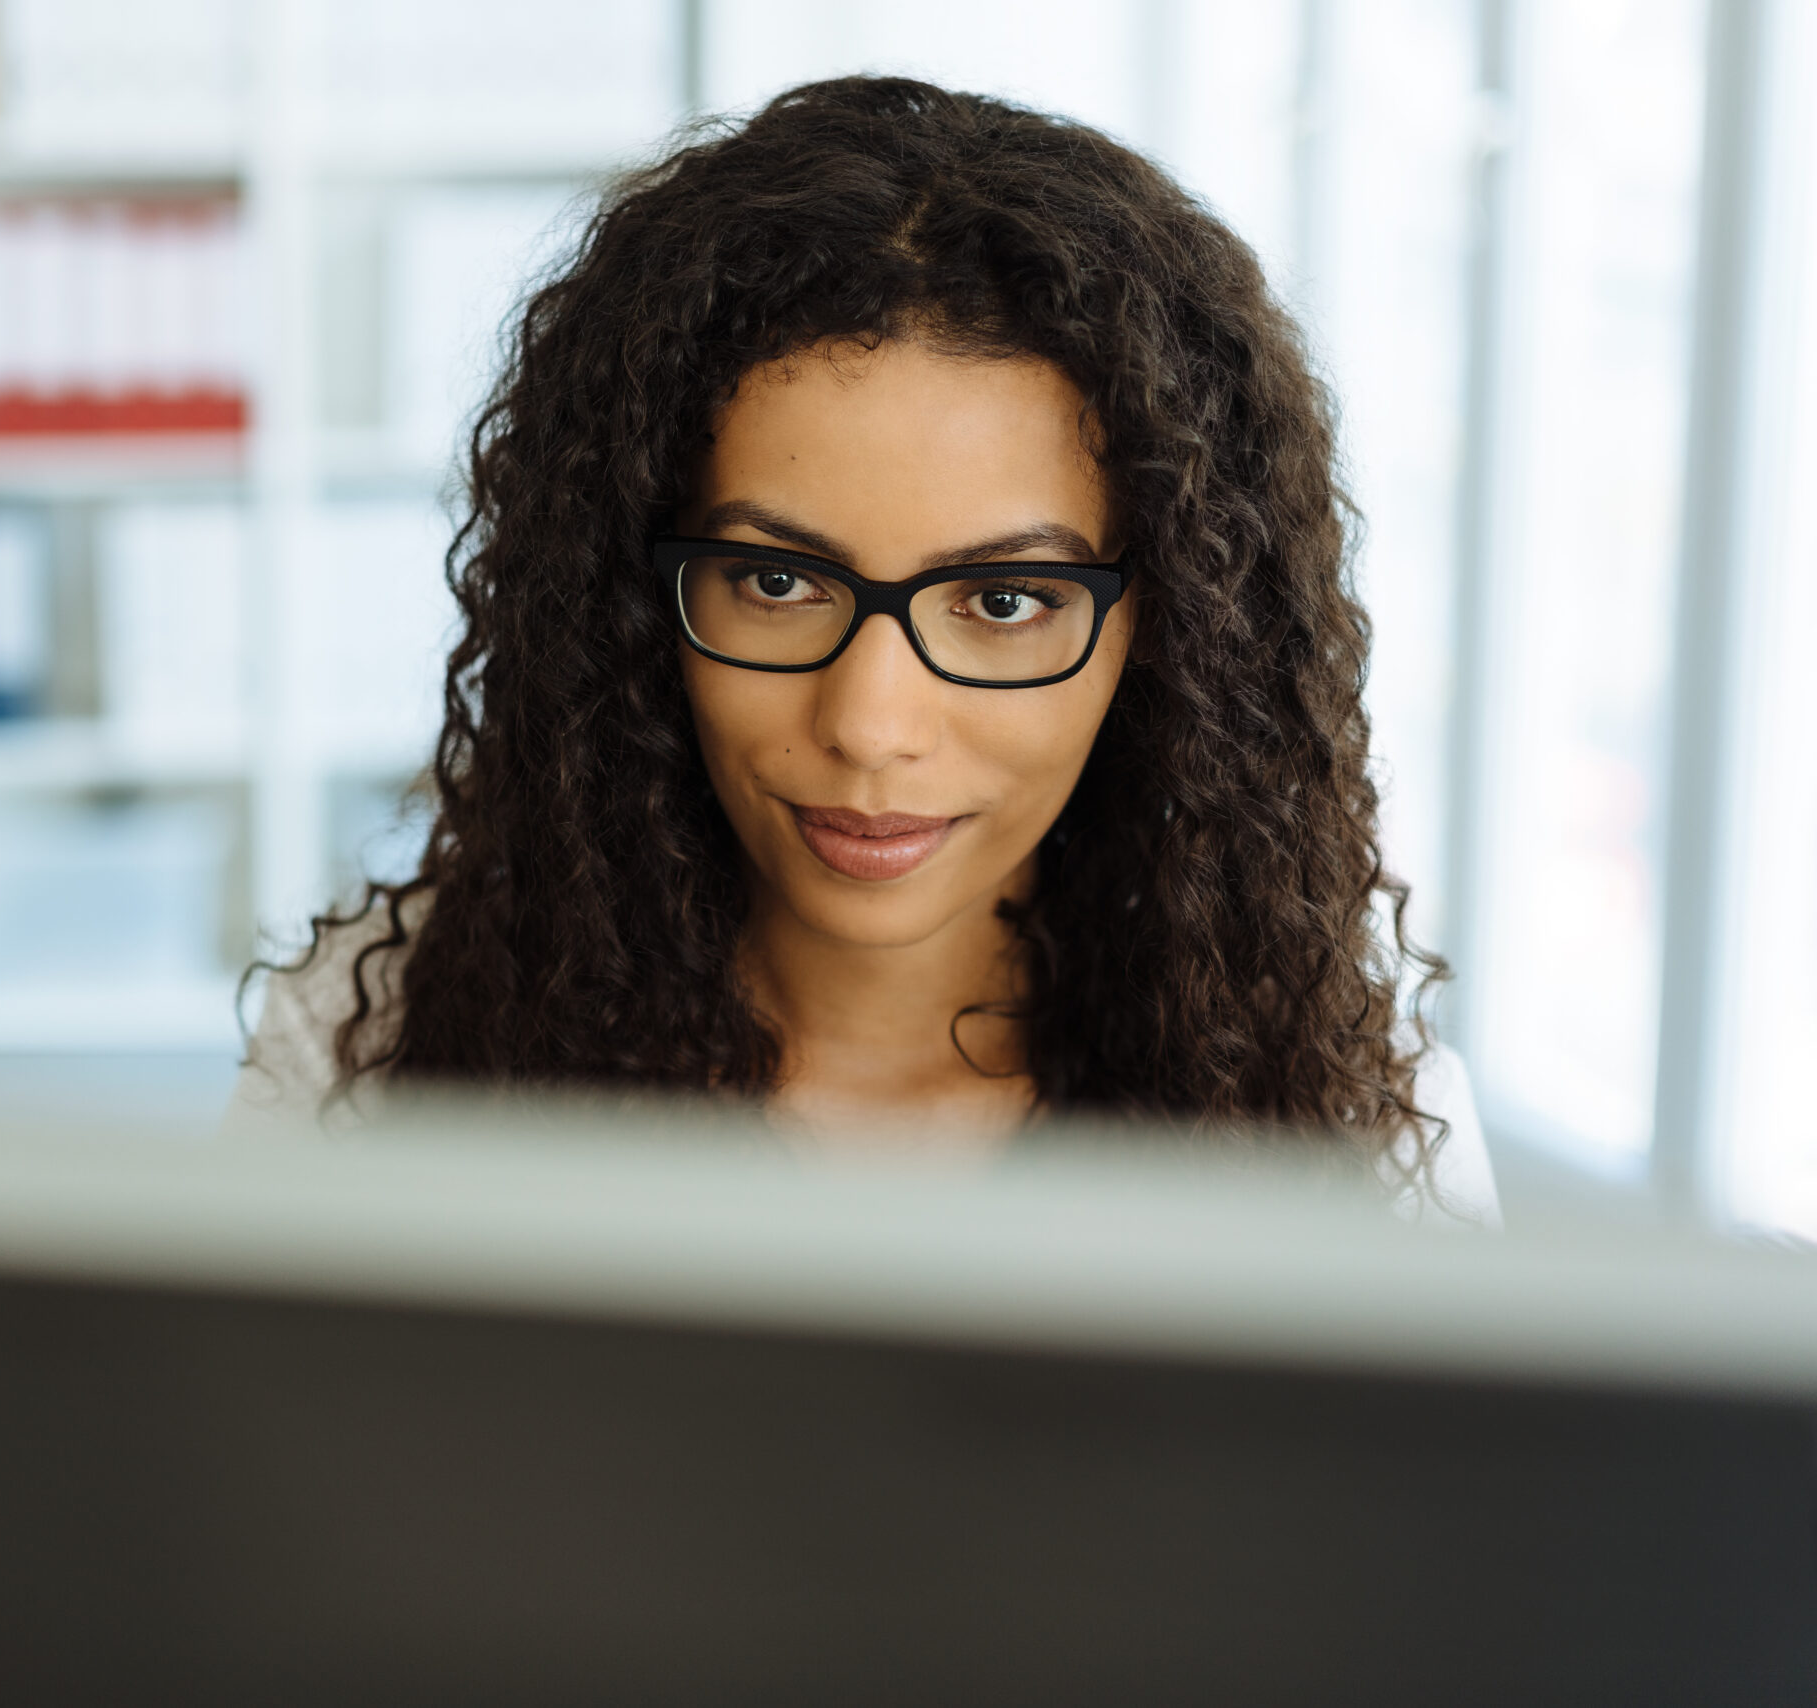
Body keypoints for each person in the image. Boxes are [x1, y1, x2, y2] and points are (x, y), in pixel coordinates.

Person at [231, 76, 1499, 1224]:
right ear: (625, 597)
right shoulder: (365, 1049)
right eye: (775, 580)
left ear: (1160, 631)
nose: (870, 724)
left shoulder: (1354, 1115)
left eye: (1003, 601)